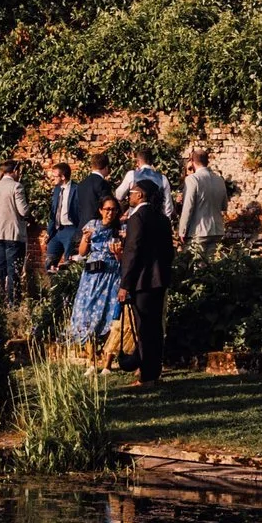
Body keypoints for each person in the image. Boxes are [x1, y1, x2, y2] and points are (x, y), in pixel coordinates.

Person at [118, 177, 176, 387]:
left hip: (141, 281)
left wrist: (125, 284)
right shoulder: (162, 218)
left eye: (132, 192)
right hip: (159, 279)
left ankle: (147, 377)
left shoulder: (137, 218)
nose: (129, 195)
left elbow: (132, 252)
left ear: (140, 194)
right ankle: (153, 371)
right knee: (155, 329)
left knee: (143, 329)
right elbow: (169, 251)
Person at [66, 193, 124, 348]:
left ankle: (105, 348)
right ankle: (87, 344)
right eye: (107, 209)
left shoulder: (121, 229)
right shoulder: (92, 225)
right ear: (100, 210)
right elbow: (83, 252)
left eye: (113, 210)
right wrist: (86, 238)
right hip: (93, 274)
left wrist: (118, 253)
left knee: (108, 310)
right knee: (87, 307)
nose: (110, 213)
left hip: (111, 273)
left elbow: (123, 259)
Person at [0, 160, 27, 300]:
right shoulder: (17, 187)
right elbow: (23, 211)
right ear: (14, 171)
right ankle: (13, 302)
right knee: (13, 270)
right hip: (13, 233)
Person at [176, 145, 230, 255]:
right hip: (217, 230)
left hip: (198, 230)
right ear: (207, 161)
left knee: (196, 266)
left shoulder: (192, 179)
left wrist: (182, 230)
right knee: (211, 267)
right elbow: (224, 206)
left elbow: (188, 207)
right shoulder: (219, 180)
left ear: (192, 162)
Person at [68, 155, 114, 246]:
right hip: (98, 230)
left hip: (82, 228)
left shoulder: (81, 184)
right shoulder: (103, 184)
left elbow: (75, 208)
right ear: (106, 167)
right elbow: (108, 206)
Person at [43, 162, 82, 271]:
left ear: (63, 177)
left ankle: (66, 287)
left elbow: (81, 211)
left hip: (71, 229)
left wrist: (79, 232)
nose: (53, 179)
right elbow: (54, 211)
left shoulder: (77, 189)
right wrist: (49, 232)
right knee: (49, 262)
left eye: (55, 176)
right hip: (56, 231)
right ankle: (52, 286)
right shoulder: (56, 190)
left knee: (68, 264)